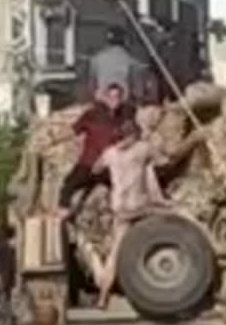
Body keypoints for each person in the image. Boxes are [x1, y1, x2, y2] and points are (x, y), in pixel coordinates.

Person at [93, 120, 169, 308]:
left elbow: (95, 168)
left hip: (120, 209)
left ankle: (103, 296)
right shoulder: (142, 149)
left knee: (115, 253)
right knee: (169, 220)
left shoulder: (110, 153)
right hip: (142, 207)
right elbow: (165, 161)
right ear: (133, 135)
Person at [55, 84, 131, 215]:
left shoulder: (125, 117)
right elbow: (73, 131)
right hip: (89, 162)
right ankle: (62, 217)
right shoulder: (92, 114)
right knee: (69, 186)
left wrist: (119, 147)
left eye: (117, 97)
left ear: (122, 98)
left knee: (122, 192)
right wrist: (54, 139)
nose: (114, 100)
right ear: (105, 97)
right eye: (111, 96)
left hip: (110, 165)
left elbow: (132, 136)